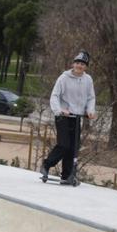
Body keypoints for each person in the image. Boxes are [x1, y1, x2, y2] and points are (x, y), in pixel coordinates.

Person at [40, 50, 96, 184]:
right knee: (64, 145)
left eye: (82, 64)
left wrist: (90, 110)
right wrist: (59, 110)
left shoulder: (88, 80)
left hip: (77, 118)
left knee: (73, 149)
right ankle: (46, 165)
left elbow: (91, 97)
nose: (79, 66)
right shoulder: (63, 78)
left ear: (86, 67)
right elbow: (54, 96)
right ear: (73, 64)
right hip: (63, 116)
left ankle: (66, 176)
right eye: (77, 63)